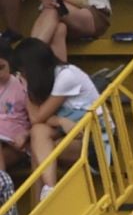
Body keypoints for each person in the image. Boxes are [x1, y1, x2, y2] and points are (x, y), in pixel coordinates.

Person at [16, 35, 100, 201]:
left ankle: (46, 200)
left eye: (23, 71)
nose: (21, 75)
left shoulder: (66, 76)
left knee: (39, 149)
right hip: (75, 136)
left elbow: (37, 116)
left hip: (97, 144)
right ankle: (48, 192)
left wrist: (25, 89)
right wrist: (60, 121)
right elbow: (40, 122)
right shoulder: (50, 78)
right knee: (38, 135)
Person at [0, 38, 33, 185]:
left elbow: (37, 119)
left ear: (10, 63)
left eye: (1, 67)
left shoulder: (22, 84)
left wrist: (26, 135)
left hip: (16, 144)